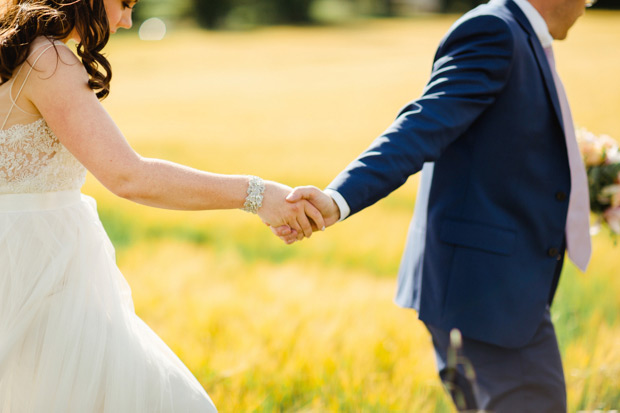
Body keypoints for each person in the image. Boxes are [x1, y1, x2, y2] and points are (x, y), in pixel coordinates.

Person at [0, 0, 325, 411]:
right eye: (125, 3)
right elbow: (129, 176)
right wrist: (256, 194)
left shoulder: (11, 49)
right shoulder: (49, 59)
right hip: (41, 273)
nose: (126, 20)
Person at [275, 0, 595, 410]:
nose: (589, 5)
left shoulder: (520, 36)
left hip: (489, 291)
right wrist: (339, 198)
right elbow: (423, 124)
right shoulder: (495, 31)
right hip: (487, 297)